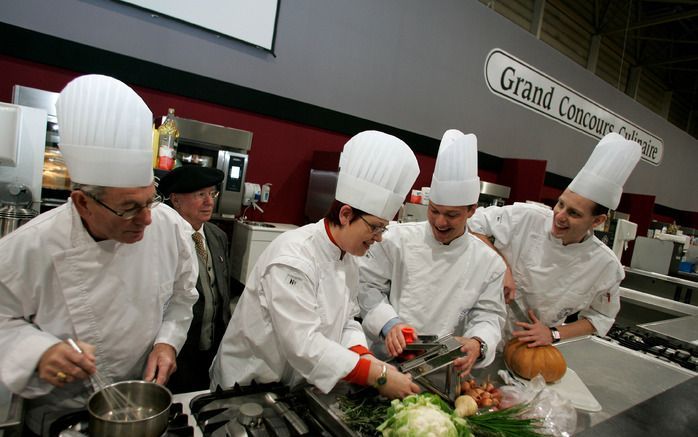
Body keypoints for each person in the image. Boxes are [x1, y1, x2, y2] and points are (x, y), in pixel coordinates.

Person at [0, 74, 198, 434]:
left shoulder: (169, 227)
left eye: (149, 200)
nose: (146, 218)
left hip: (142, 399)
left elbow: (183, 298)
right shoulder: (31, 245)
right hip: (61, 410)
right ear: (82, 202)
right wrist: (37, 350)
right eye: (128, 208)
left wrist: (167, 343)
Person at [210, 130, 421, 399]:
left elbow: (347, 321)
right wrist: (374, 375)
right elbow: (303, 343)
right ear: (346, 214)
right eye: (376, 228)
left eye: (383, 229)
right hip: (245, 388)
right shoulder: (294, 258)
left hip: (291, 390)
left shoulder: (348, 258)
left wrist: (364, 356)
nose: (379, 238)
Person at [469, 132, 642, 346]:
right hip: (479, 329)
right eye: (560, 204)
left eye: (574, 213)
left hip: (531, 346)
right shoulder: (526, 217)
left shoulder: (605, 265)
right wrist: (502, 266)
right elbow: (472, 225)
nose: (559, 216)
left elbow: (601, 318)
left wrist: (553, 334)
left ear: (597, 221)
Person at [358, 130, 507, 376]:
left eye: (452, 215)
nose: (439, 222)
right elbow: (367, 287)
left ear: (471, 210)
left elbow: (489, 315)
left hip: (443, 369)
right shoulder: (396, 239)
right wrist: (389, 323)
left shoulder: (489, 263)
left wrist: (477, 343)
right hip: (385, 361)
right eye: (434, 210)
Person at [158, 165, 233, 393]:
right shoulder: (163, 238)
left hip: (212, 350)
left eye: (212, 194)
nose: (209, 202)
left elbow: (222, 292)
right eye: (200, 195)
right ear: (176, 200)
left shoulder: (217, 235)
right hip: (177, 351)